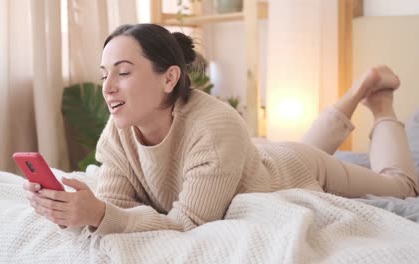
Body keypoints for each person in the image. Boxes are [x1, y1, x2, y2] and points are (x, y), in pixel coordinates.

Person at [23, 23, 418, 236]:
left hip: (293, 169)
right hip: (256, 161)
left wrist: (101, 213)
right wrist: (83, 210)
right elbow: (117, 207)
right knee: (300, 145)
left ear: (168, 78)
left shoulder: (213, 126)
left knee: (402, 185)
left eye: (123, 73)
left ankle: (378, 103)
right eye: (104, 74)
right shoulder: (118, 129)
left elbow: (187, 225)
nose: (107, 87)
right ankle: (357, 91)